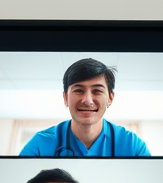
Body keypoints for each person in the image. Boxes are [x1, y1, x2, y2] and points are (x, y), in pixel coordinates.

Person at [18, 58, 151, 157]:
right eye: (78, 90)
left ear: (110, 98)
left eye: (97, 91)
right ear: (65, 98)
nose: (87, 100)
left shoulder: (133, 146)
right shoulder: (40, 144)